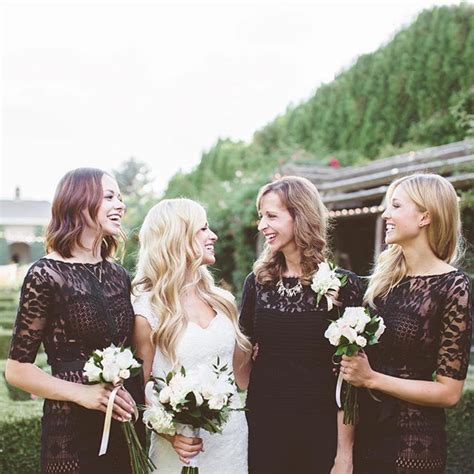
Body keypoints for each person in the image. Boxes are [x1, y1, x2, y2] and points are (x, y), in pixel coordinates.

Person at [5, 168, 144, 474]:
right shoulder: (46, 275)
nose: (120, 204)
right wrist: (83, 393)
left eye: (120, 197)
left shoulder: (119, 275)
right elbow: (17, 370)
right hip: (70, 428)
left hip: (121, 422)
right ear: (79, 203)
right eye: (109, 196)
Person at [340, 173, 472, 473]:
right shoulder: (378, 285)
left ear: (425, 216)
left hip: (413, 444)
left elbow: (449, 393)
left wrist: (372, 378)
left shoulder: (453, 287)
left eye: (396, 206)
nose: (386, 214)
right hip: (365, 434)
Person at [239, 176, 362, 474]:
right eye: (260, 216)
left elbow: (350, 383)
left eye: (271, 216)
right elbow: (242, 363)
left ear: (300, 216)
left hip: (319, 431)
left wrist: (344, 455)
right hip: (265, 429)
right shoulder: (256, 284)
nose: (261, 225)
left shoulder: (344, 286)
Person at [132, 198, 252, 474]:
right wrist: (171, 436)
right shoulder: (147, 310)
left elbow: (241, 378)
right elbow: (139, 391)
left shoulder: (223, 301)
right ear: (177, 237)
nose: (213, 236)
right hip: (180, 450)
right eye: (203, 229)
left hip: (231, 443)